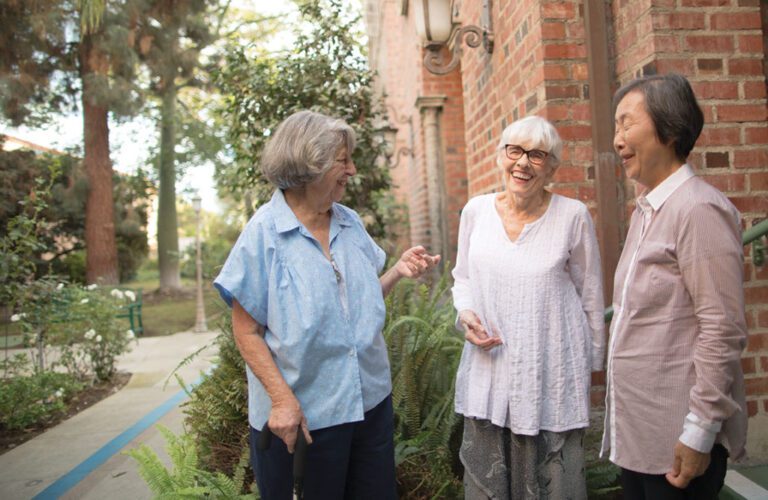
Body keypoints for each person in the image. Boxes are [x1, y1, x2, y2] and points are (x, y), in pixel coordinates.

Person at [214, 110, 440, 499]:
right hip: (304, 418)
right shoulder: (264, 234)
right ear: (309, 163)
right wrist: (282, 401)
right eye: (343, 160)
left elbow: (360, 301)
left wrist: (398, 272)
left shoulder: (349, 222)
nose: (352, 170)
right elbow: (246, 329)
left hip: (370, 404)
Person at [601, 73, 748, 499]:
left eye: (627, 123)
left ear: (669, 127)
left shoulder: (698, 209)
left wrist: (700, 431)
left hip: (679, 441)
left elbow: (722, 329)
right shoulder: (645, 211)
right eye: (615, 126)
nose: (617, 139)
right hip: (642, 437)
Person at [451, 116, 605, 499]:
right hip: (490, 373)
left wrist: (594, 365)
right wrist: (466, 315)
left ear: (552, 166)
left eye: (537, 155)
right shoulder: (475, 212)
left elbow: (591, 293)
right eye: (514, 151)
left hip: (550, 374)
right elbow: (463, 277)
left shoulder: (572, 216)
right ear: (500, 156)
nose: (523, 163)